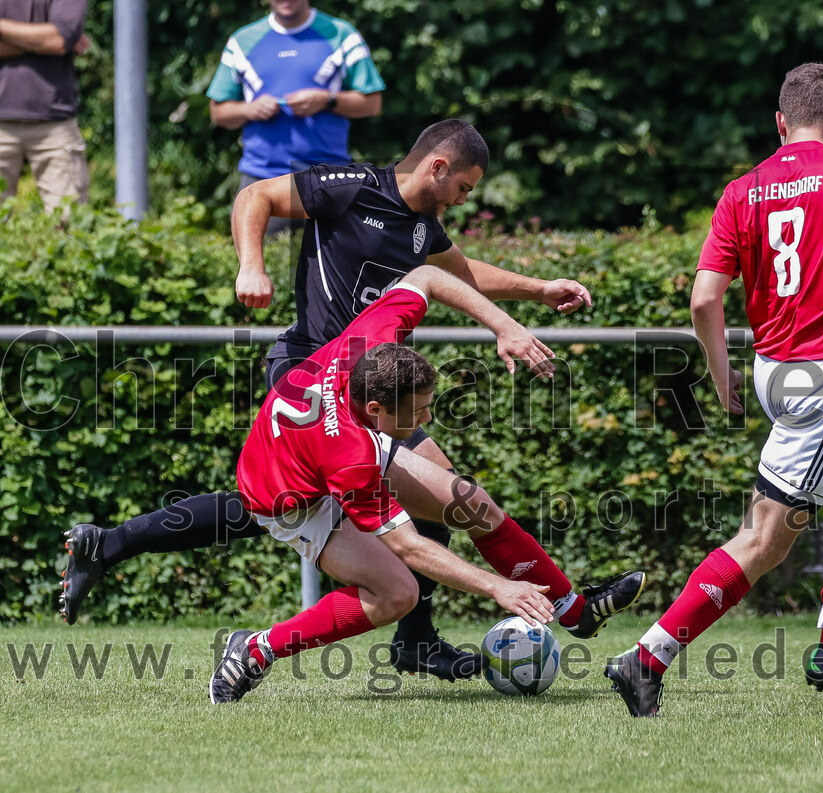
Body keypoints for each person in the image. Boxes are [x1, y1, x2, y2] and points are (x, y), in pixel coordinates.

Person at [60, 119, 610, 683]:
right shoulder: (349, 185)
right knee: (292, 502)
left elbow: (459, 276)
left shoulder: (424, 229)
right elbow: (257, 195)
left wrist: (539, 290)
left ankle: (415, 639)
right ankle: (124, 549)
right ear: (438, 167)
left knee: (431, 491)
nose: (465, 200)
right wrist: (251, 264)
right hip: (311, 373)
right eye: (465, 188)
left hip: (370, 379)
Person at [605, 63, 823, 717]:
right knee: (763, 538)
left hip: (774, 370)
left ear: (779, 123)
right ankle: (645, 658)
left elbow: (704, 299)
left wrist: (721, 375)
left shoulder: (741, 190)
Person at [209, 264, 646, 702]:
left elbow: (428, 275)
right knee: (397, 593)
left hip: (325, 438)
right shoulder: (350, 457)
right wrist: (497, 586)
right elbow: (408, 547)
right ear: (378, 409)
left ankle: (575, 613)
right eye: (417, 412)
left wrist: (505, 326)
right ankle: (254, 649)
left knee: (473, 504)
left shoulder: (371, 340)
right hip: (289, 500)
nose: (427, 419)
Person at [206, 0, 384, 235]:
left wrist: (327, 100)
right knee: (255, 270)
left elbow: (372, 104)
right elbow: (218, 112)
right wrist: (249, 110)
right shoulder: (242, 41)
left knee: (337, 271)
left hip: (330, 178)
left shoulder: (342, 34)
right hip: (262, 178)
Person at [0, 0, 89, 212]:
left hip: (55, 123)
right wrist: (42, 41)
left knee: (69, 225)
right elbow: (58, 40)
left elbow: (58, 39)